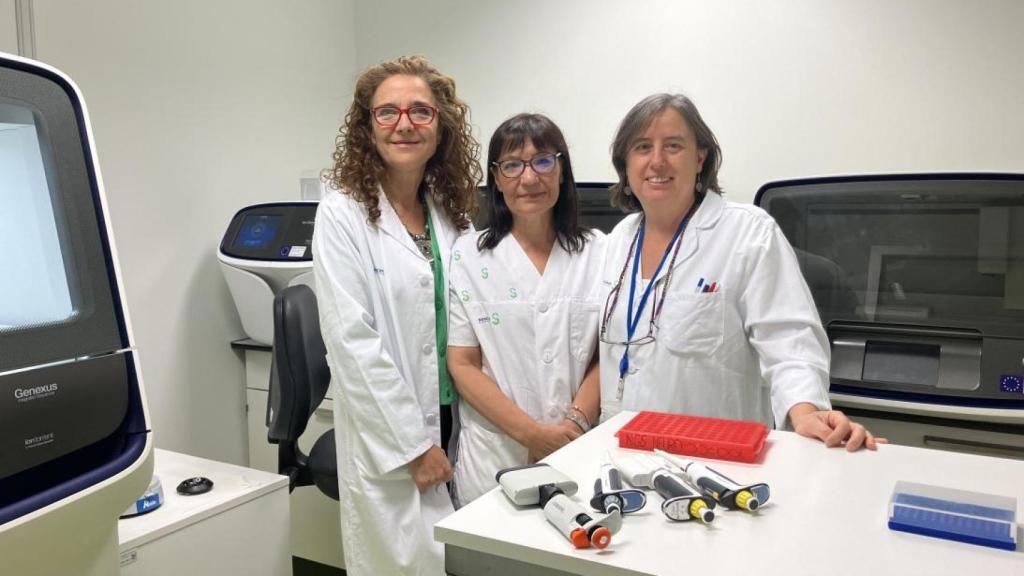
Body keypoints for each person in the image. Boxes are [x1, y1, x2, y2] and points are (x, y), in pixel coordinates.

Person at [598, 93, 885, 451]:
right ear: (625, 163)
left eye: (673, 146)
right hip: (622, 448)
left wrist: (805, 410)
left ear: (699, 158)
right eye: (642, 147)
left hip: (715, 457)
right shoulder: (617, 243)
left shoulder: (748, 233)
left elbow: (789, 339)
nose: (657, 161)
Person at [312, 55, 481, 576]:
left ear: (441, 126)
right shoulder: (343, 213)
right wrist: (411, 445)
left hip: (456, 415)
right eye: (387, 112)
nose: (404, 123)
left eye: (420, 112)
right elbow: (351, 341)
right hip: (398, 436)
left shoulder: (451, 213)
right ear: (367, 128)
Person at [447, 114, 603, 507]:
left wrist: (570, 428)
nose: (529, 178)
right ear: (496, 179)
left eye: (543, 161)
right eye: (512, 165)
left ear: (562, 170)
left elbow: (609, 354)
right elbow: (463, 364)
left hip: (579, 446)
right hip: (496, 455)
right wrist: (532, 434)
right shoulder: (469, 255)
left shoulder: (600, 252)